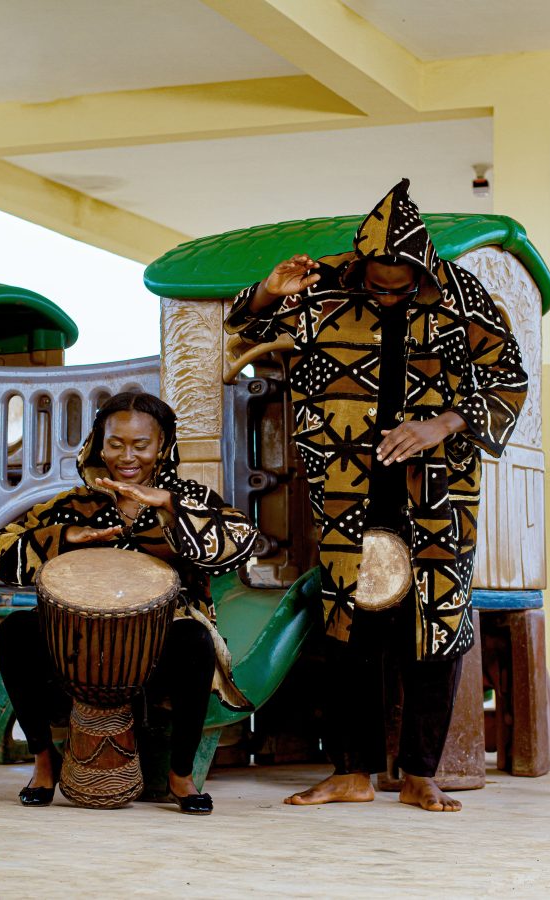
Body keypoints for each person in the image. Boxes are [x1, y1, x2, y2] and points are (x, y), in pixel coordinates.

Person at [225, 178, 528, 812]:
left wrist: (440, 425)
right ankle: (352, 772)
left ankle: (419, 772)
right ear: (362, 268)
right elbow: (241, 327)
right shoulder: (326, 285)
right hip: (345, 487)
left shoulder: (463, 296)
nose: (388, 296)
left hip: (440, 489)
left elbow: (509, 379)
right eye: (377, 286)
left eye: (402, 288)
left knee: (438, 625)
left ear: (422, 268)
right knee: (347, 627)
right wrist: (265, 292)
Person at [0, 391, 257, 814]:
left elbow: (239, 544)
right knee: (16, 632)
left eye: (141, 445)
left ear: (163, 446)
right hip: (75, 649)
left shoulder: (187, 498)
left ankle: (180, 776)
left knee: (195, 643)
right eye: (115, 443)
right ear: (99, 442)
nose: (126, 456)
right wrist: (64, 539)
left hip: (158, 650)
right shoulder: (73, 505)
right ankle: (42, 762)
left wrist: (169, 505)